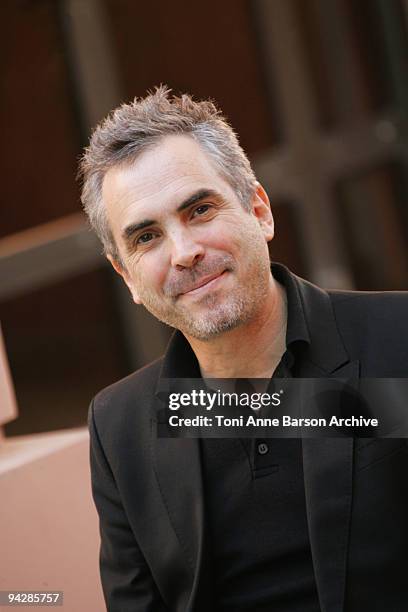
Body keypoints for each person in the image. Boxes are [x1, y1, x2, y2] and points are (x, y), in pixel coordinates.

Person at [80, 86, 408, 612]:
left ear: (259, 211)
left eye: (200, 210)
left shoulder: (400, 337)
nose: (184, 253)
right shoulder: (120, 424)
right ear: (128, 278)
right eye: (146, 238)